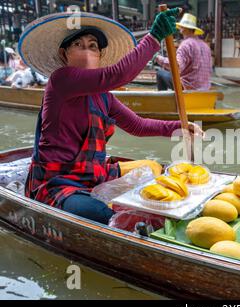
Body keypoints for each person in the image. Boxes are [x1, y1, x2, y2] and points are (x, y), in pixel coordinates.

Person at [19, 10, 203, 224]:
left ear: (99, 56)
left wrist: (180, 127)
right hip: (58, 181)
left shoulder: (104, 97)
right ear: (64, 54)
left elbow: (139, 126)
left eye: (93, 46)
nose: (87, 51)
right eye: (78, 45)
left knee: (153, 168)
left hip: (94, 173)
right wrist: (153, 38)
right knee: (96, 214)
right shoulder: (61, 80)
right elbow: (116, 75)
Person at [154, 13, 211, 91]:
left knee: (160, 73)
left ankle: (164, 102)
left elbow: (176, 66)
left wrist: (157, 58)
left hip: (188, 87)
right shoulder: (206, 46)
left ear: (185, 28)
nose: (180, 27)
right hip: (204, 88)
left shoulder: (186, 44)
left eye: (182, 26)